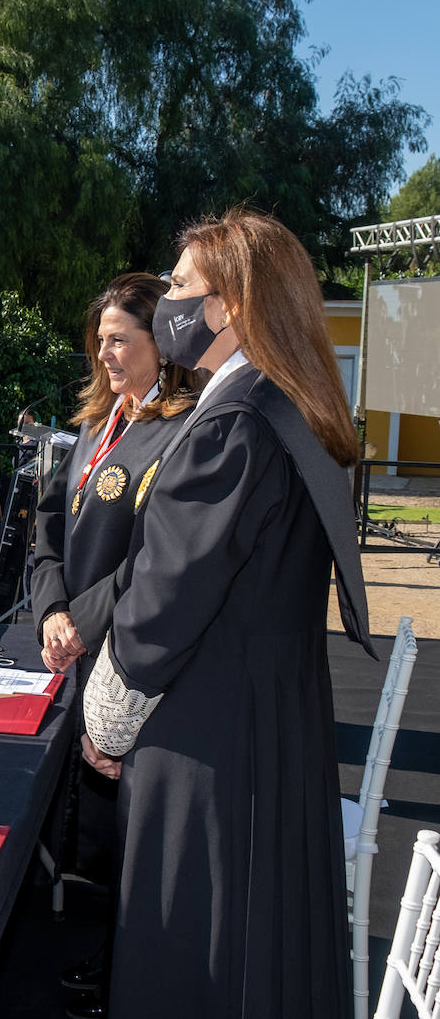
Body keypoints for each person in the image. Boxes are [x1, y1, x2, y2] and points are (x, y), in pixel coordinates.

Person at [80, 210, 375, 1019]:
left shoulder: (231, 421)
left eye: (180, 286)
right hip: (270, 727)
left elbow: (161, 603)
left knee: (203, 965)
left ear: (230, 306)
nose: (167, 299)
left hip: (213, 743)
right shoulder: (283, 403)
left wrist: (103, 723)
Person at [29, 272, 200, 1017]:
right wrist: (49, 612)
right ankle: (105, 949)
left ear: (159, 340)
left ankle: (131, 971)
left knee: (135, 831)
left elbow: (154, 562)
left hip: (129, 662)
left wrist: (80, 620)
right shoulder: (99, 428)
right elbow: (44, 532)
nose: (105, 354)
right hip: (73, 647)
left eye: (118, 340)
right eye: (99, 341)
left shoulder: (182, 430)